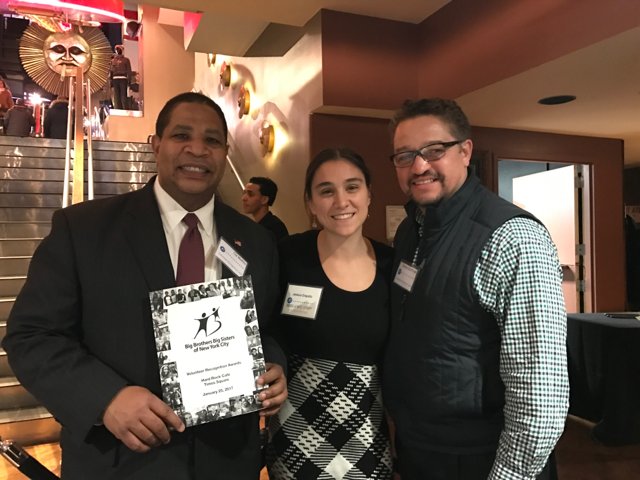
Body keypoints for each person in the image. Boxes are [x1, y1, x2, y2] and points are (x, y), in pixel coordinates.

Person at [3, 91, 288, 479]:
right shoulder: (84, 229)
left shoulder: (256, 242)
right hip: (121, 462)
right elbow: (31, 336)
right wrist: (106, 398)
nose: (197, 149)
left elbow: (267, 327)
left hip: (226, 462)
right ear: (155, 145)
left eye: (212, 140)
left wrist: (273, 365)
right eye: (181, 135)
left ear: (225, 153)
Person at [383, 98, 569, 480]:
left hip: (482, 458)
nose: (419, 166)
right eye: (405, 155)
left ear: (465, 151)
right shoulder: (411, 230)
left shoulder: (513, 238)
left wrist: (511, 473)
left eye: (434, 150)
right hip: (422, 448)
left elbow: (541, 391)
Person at [265, 148, 394, 479]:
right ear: (310, 203)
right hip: (296, 431)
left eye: (352, 187)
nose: (341, 201)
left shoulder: (391, 265)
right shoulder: (288, 255)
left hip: (368, 432)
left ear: (368, 194)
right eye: (326, 191)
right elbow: (266, 326)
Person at [241, 176, 289, 241]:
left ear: (264, 200)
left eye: (250, 194)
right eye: (244, 193)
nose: (243, 198)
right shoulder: (259, 225)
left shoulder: (275, 227)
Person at [110, 44, 132, 110]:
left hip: (121, 79)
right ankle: (119, 109)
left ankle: (123, 110)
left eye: (118, 49)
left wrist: (129, 80)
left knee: (122, 96)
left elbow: (129, 70)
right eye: (117, 49)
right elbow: (111, 71)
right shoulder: (113, 60)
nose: (117, 50)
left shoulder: (125, 60)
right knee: (118, 96)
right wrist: (111, 81)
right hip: (117, 79)